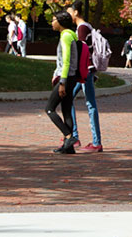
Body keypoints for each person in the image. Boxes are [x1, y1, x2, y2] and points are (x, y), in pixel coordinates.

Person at [67, 0, 105, 153]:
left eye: (69, 12)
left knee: (91, 104)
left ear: (76, 12)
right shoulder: (85, 27)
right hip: (86, 71)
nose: (68, 15)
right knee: (68, 98)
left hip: (85, 71)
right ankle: (74, 136)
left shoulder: (82, 28)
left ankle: (96, 142)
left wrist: (78, 72)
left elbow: (82, 53)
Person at [45, 10, 80, 154]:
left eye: (54, 20)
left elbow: (66, 62)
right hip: (72, 77)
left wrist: (62, 82)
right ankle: (68, 147)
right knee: (66, 110)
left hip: (66, 78)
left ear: (60, 22)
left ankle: (69, 137)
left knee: (49, 109)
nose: (52, 23)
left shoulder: (65, 36)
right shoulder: (72, 34)